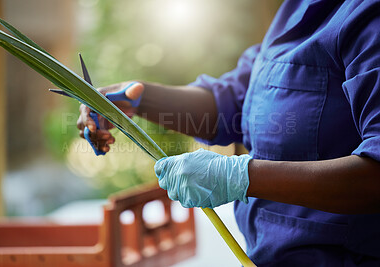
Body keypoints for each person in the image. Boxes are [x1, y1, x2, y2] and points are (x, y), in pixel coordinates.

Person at [77, 0, 380, 265]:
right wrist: (138, 99)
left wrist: (239, 177)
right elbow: (234, 103)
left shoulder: (368, 15)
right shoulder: (294, 10)